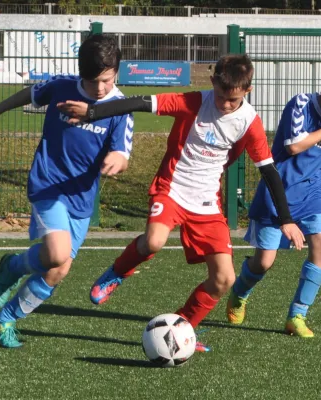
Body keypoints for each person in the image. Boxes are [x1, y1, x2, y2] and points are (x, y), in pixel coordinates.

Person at [57, 54, 305, 352]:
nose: (226, 104)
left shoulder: (250, 122)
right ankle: (116, 273)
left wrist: (286, 219)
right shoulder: (193, 102)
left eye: (233, 99)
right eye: (222, 95)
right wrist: (94, 112)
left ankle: (181, 329)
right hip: (172, 190)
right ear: (213, 82)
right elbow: (140, 102)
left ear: (247, 91)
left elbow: (269, 171)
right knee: (153, 242)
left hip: (207, 203)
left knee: (224, 279)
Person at [0, 34, 134, 348]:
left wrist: (118, 159)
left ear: (117, 70)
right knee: (57, 253)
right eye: (91, 81)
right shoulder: (62, 86)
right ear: (80, 72)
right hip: (48, 182)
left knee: (59, 268)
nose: (98, 88)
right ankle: (14, 270)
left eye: (106, 80)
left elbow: (123, 151)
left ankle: (4, 315)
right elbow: (28, 94)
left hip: (81, 197)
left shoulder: (120, 107)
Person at [226, 69, 321, 338]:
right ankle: (240, 292)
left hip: (313, 193)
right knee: (264, 263)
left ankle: (297, 315)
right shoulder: (302, 103)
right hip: (278, 192)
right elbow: (292, 146)